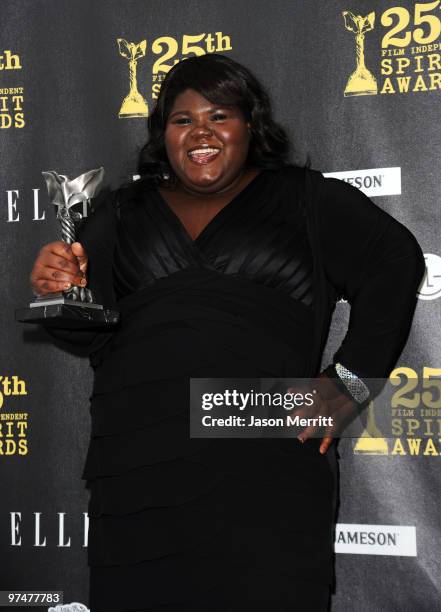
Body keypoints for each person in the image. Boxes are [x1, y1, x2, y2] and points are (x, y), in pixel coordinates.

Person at [30, 54, 425, 612]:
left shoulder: (305, 198)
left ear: (250, 124)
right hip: (139, 471)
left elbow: (396, 261)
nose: (201, 133)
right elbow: (83, 331)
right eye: (182, 119)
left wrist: (350, 382)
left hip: (261, 457)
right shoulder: (122, 211)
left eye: (219, 115)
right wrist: (57, 288)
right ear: (162, 134)